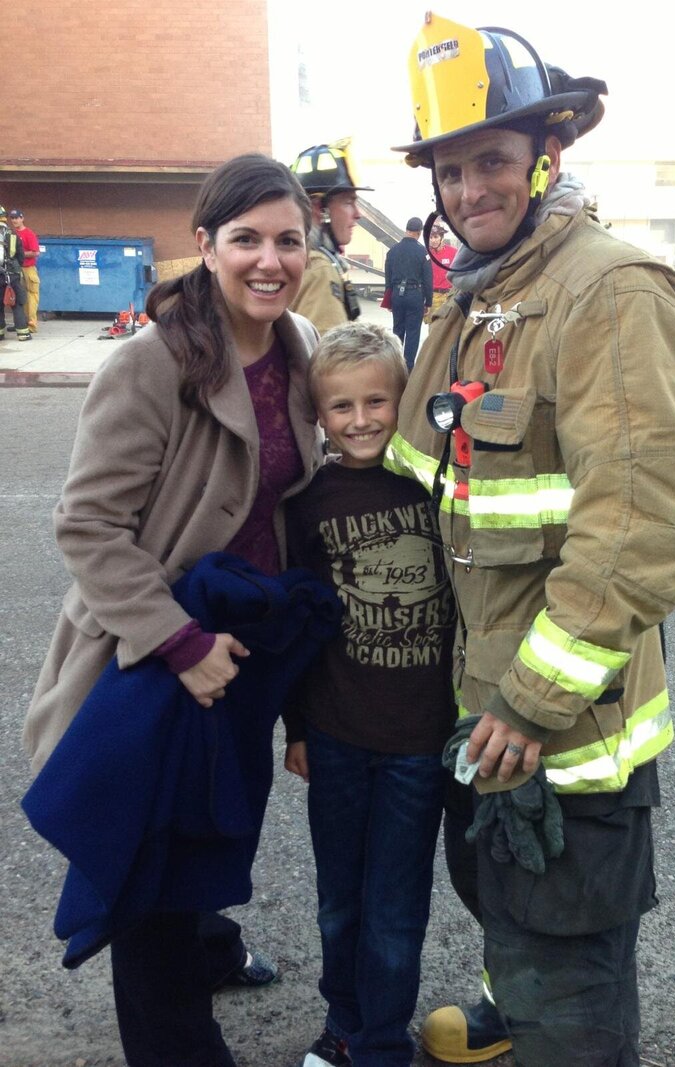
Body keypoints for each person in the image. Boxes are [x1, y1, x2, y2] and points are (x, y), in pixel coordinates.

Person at [385, 13, 675, 1066]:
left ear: (546, 155)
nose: (468, 188)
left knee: (569, 984)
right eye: (449, 169)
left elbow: (644, 523)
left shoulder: (604, 289)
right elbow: (420, 482)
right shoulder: (480, 295)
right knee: (509, 923)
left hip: (558, 740)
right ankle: (506, 1015)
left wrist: (530, 700)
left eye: (490, 160)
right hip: (483, 718)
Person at [23, 153, 325, 1067]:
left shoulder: (300, 347)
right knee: (153, 855)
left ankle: (210, 944)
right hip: (161, 645)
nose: (268, 260)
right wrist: (178, 640)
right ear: (204, 244)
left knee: (218, 818)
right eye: (246, 240)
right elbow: (88, 524)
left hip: (250, 644)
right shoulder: (151, 363)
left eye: (288, 240)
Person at [283, 320, 457, 1067]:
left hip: (421, 742)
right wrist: (295, 728)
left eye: (377, 401)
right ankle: (343, 1024)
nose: (361, 420)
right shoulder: (309, 503)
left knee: (395, 907)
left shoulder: (436, 490)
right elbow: (299, 626)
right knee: (338, 902)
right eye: (341, 407)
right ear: (318, 416)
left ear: (404, 399)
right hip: (336, 737)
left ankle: (382, 1042)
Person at [290, 140, 370, 333]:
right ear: (318, 207)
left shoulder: (299, 259)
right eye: (348, 202)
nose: (357, 213)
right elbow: (330, 361)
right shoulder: (320, 270)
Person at [383, 216, 432, 370]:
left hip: (397, 294)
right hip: (415, 295)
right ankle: (408, 367)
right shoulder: (423, 252)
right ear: (419, 232)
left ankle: (395, 365)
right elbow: (427, 279)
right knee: (413, 332)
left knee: (397, 329)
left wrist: (389, 299)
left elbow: (388, 278)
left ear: (406, 230)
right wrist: (428, 302)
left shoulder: (392, 251)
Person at [0, 204, 31, 341]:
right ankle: (23, 334)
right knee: (17, 303)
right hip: (12, 275)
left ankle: (0, 334)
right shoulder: (13, 236)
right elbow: (21, 257)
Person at [8, 208, 40, 332]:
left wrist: (19, 253)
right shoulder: (11, 234)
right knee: (19, 298)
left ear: (22, 218)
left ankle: (31, 325)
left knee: (31, 297)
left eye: (17, 217)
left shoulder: (28, 233)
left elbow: (35, 252)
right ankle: (21, 324)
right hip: (16, 270)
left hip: (29, 269)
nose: (15, 220)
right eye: (12, 218)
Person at [424, 222, 456, 323]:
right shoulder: (425, 254)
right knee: (433, 327)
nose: (433, 240)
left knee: (450, 326)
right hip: (433, 297)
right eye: (430, 237)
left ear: (442, 237)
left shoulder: (454, 253)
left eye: (436, 237)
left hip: (450, 296)